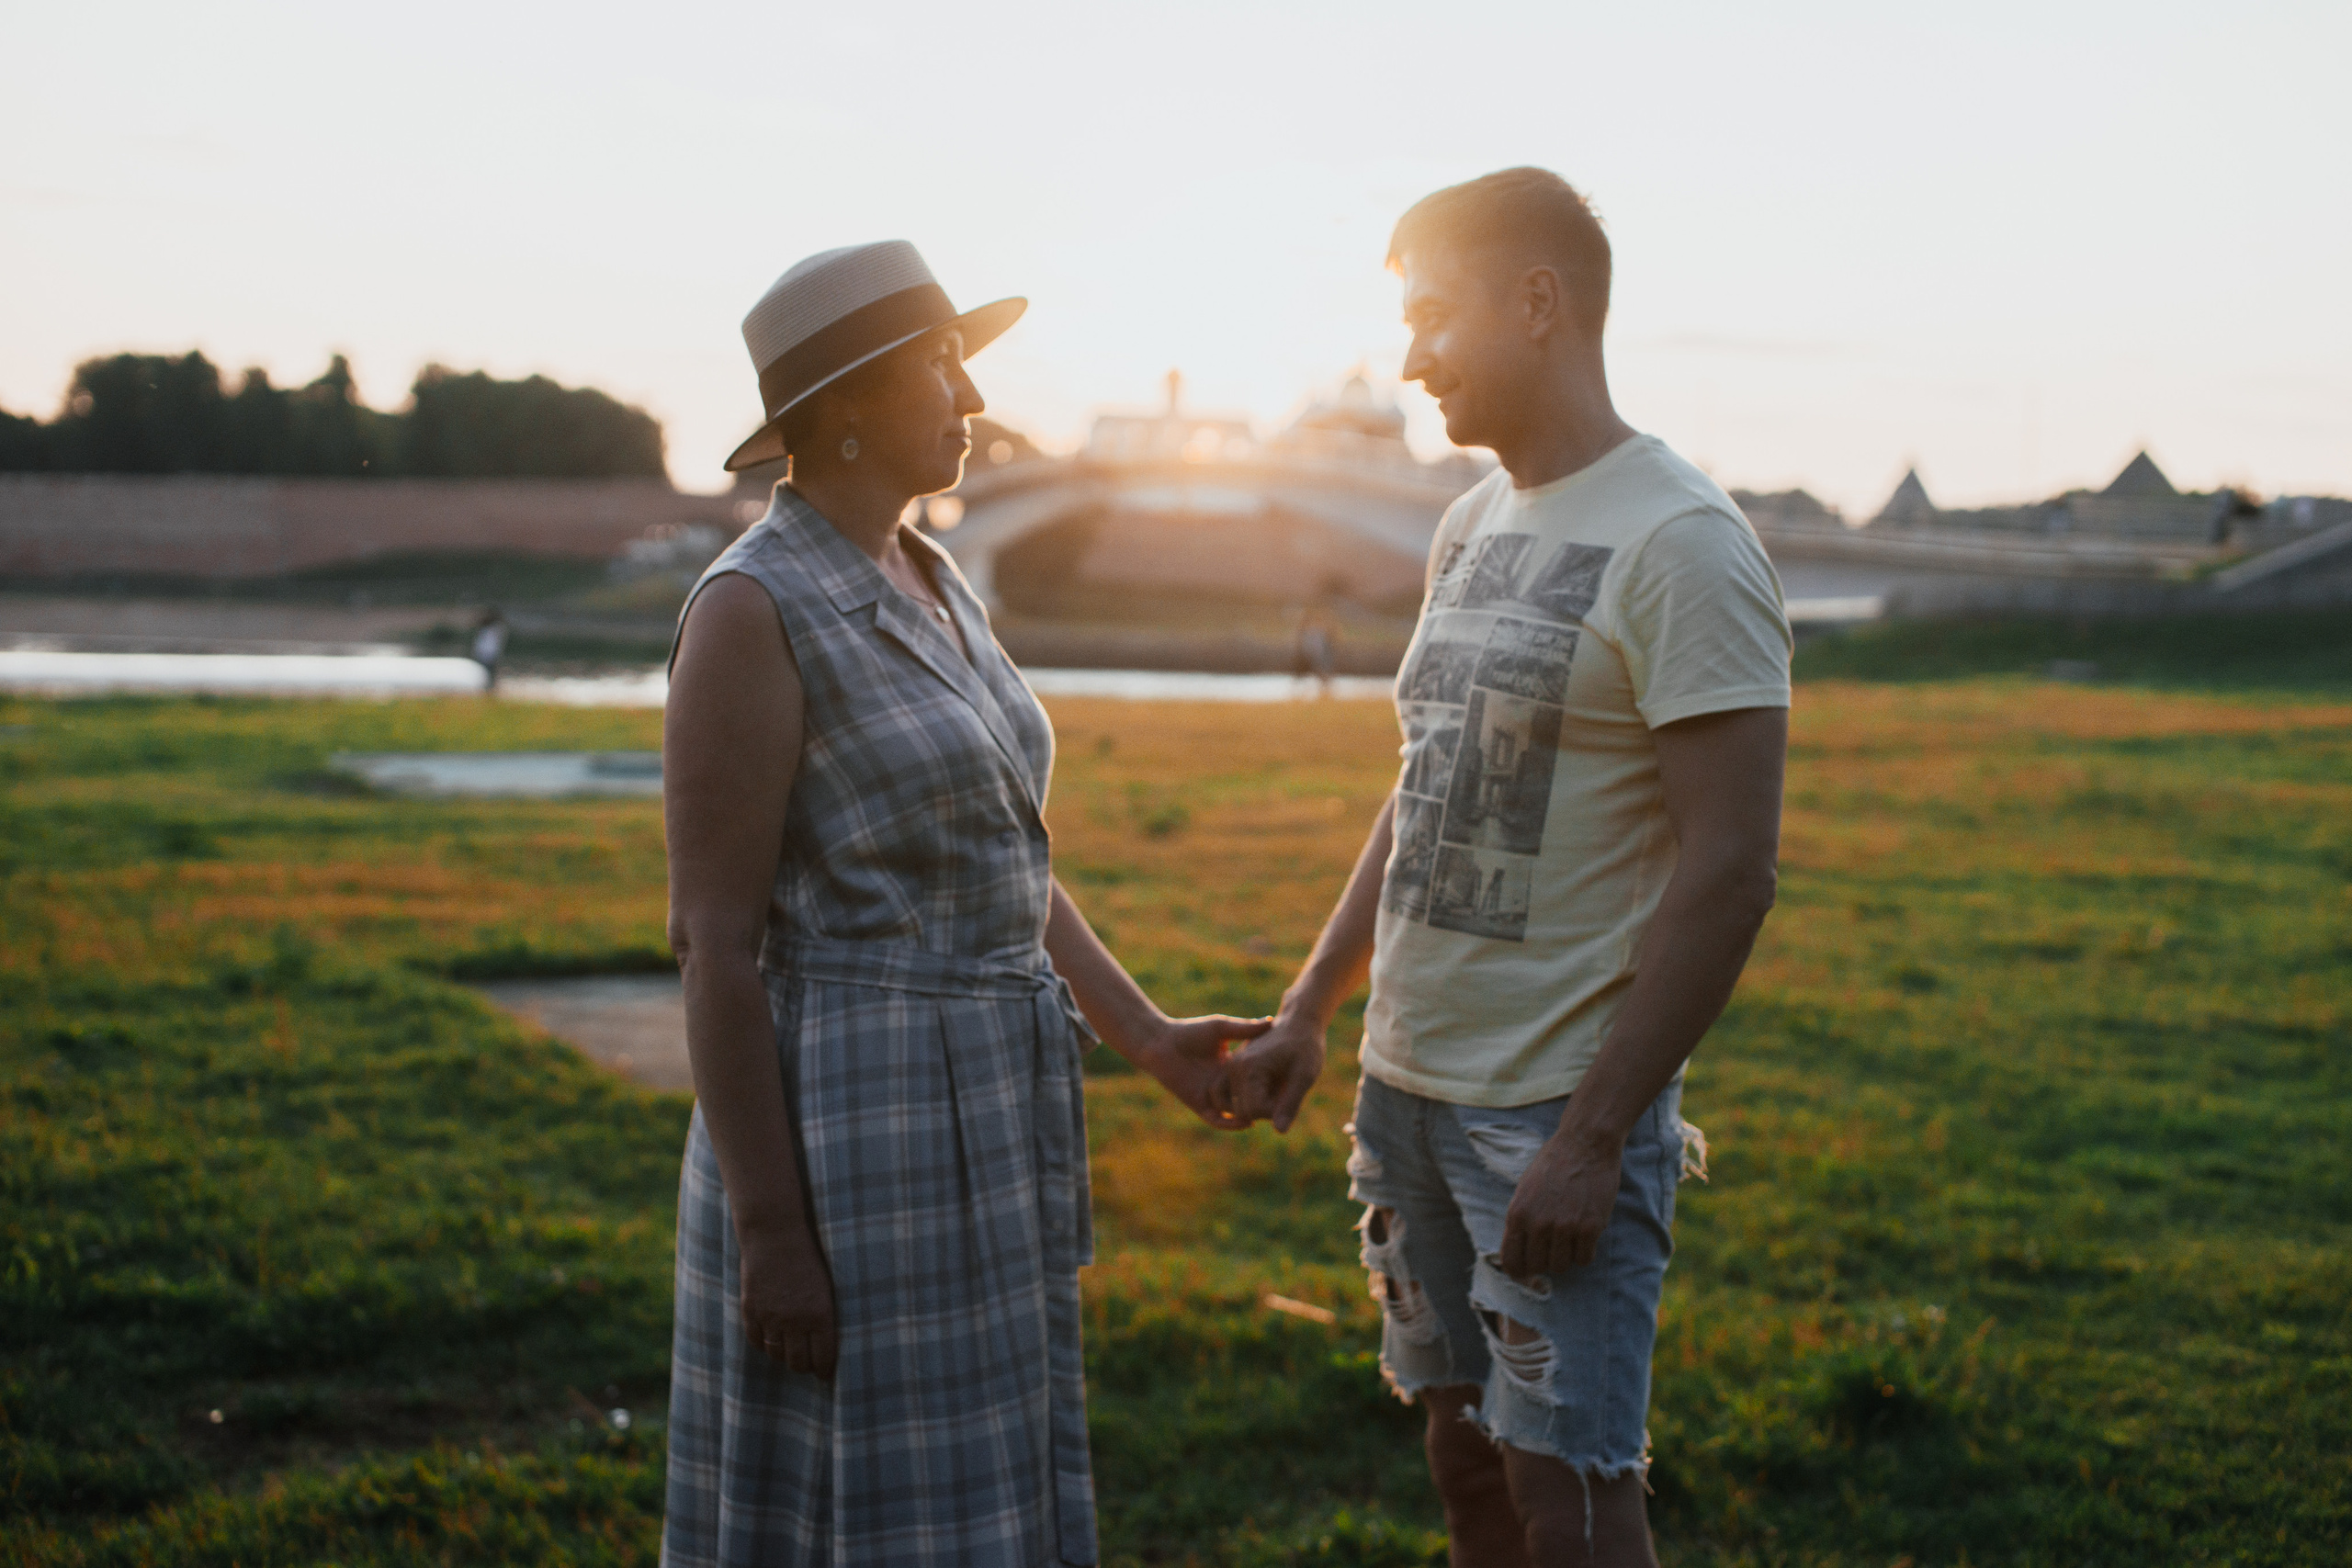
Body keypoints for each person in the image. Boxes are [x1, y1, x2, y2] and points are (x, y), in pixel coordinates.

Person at [661, 241, 1269, 1567]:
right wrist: (773, 1231)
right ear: (847, 408)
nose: (972, 399)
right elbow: (714, 946)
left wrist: (1146, 1034)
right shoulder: (752, 608)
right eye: (942, 366)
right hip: (849, 1127)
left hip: (987, 1110)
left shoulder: (937, 578)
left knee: (975, 1491)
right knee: (860, 1496)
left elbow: (1009, 861)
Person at [1220, 169, 1792, 1567]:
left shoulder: (1684, 542)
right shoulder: (1468, 523)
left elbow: (1731, 872)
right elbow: (1425, 788)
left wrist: (1596, 1135)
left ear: (1537, 304)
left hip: (1547, 1110)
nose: (1409, 355)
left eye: (1432, 316)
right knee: (1463, 1460)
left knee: (1574, 1498)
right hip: (1408, 1093)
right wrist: (1311, 1004)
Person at [469, 607, 507, 689]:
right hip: (483, 653)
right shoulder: (485, 628)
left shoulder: (496, 628)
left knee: (489, 673)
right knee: (482, 673)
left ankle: (489, 688)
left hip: (490, 654)